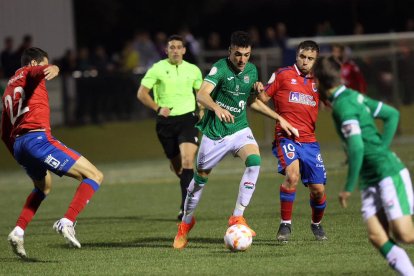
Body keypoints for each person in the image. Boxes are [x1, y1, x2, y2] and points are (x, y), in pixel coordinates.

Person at [173, 31, 298, 249]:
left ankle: (237, 217)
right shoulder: (220, 68)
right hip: (215, 133)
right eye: (238, 54)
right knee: (200, 179)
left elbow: (252, 103)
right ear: (230, 50)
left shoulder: (251, 70)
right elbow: (202, 94)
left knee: (255, 161)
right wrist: (216, 107)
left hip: (239, 129)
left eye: (246, 54)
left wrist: (279, 118)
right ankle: (185, 224)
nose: (242, 60)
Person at [313, 55, 414, 276]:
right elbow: (392, 115)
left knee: (405, 236)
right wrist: (381, 147)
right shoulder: (353, 96)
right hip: (371, 178)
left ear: (319, 82)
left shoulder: (343, 106)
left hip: (385, 172)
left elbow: (357, 148)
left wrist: (348, 187)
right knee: (377, 236)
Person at [2, 47, 104, 259]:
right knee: (95, 175)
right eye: (43, 64)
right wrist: (54, 67)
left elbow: (4, 133)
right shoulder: (29, 72)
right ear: (33, 63)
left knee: (44, 186)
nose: (45, 71)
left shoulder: (8, 89)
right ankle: (66, 221)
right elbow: (36, 71)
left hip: (20, 145)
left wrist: (20, 157)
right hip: (37, 140)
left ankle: (18, 230)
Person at [258, 40, 328, 243]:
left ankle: (316, 224)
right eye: (302, 57)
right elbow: (263, 98)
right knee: (292, 175)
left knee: (318, 190)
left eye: (310, 59)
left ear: (316, 60)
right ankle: (285, 224)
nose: (305, 62)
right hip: (286, 137)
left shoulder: (318, 81)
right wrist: (257, 89)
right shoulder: (283, 74)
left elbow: (329, 101)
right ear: (296, 56)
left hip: (310, 142)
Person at [137, 35, 203, 220]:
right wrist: (157, 108)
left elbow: (201, 94)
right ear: (166, 50)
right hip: (165, 122)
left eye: (178, 47)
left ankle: (185, 209)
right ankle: (184, 182)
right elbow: (141, 93)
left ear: (184, 50)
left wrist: (203, 111)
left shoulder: (193, 70)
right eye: (171, 47)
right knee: (179, 168)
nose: (175, 50)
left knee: (188, 161)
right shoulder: (158, 68)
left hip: (188, 119)